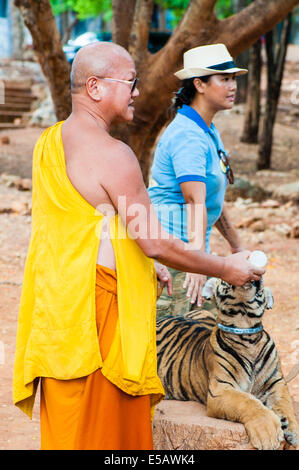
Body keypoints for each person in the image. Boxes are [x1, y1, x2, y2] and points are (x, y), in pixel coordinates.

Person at [13, 42, 265, 451]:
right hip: (98, 316)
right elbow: (154, 241)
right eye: (130, 82)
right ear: (95, 87)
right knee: (107, 434)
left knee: (68, 429)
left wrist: (143, 264)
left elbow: (93, 219)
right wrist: (223, 267)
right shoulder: (115, 155)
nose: (136, 92)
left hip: (57, 308)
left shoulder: (50, 142)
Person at [148, 43, 248, 317]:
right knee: (175, 349)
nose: (232, 86)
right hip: (173, 258)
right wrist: (196, 261)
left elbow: (211, 199)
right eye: (224, 79)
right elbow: (194, 199)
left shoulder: (207, 130)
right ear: (199, 85)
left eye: (233, 79)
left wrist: (236, 246)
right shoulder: (188, 135)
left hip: (188, 254)